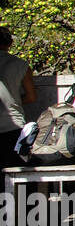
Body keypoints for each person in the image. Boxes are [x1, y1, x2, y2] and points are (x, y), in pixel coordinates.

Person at [0, 26, 37, 157]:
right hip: (13, 125)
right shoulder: (21, 65)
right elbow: (31, 97)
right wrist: (13, 101)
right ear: (10, 43)